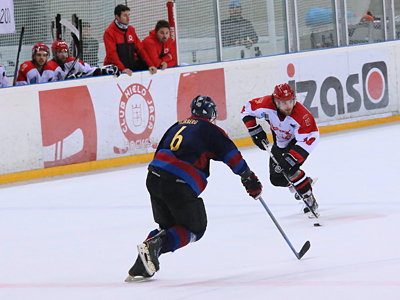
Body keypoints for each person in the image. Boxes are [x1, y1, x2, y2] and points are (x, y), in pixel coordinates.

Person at [125, 95, 262, 281]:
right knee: (195, 228)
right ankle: (153, 247)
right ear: (212, 113)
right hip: (178, 183)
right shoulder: (211, 130)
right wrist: (249, 178)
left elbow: (159, 154)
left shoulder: (177, 125)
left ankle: (143, 262)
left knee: (170, 227)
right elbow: (232, 155)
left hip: (153, 177)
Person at [241, 83, 320, 218]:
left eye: (291, 101)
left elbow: (311, 137)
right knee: (276, 179)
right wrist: (254, 129)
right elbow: (246, 109)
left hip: (299, 142)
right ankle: (304, 182)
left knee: (290, 168)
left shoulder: (302, 115)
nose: (288, 106)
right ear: (276, 101)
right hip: (280, 142)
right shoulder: (266, 104)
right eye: (284, 103)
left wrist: (292, 158)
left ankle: (309, 199)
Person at [103, 4, 157, 76]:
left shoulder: (131, 30)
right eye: (125, 15)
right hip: (115, 71)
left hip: (129, 68)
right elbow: (112, 55)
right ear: (117, 17)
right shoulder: (109, 33)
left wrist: (150, 65)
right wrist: (122, 69)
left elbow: (140, 49)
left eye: (129, 15)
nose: (128, 18)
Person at [48, 40, 119, 80]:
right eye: (60, 52)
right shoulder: (49, 67)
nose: (63, 55)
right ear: (54, 53)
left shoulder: (72, 62)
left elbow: (89, 70)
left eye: (65, 51)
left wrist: (102, 71)